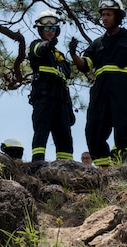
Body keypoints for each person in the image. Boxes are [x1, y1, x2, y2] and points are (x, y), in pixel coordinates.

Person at [69, 0, 127, 167]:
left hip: (125, 87)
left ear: (118, 16)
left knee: (126, 125)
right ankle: (104, 167)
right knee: (94, 127)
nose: (104, 18)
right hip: (101, 89)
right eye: (103, 15)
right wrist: (73, 55)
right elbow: (85, 66)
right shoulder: (97, 43)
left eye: (108, 14)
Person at [27, 10, 76, 161]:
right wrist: (47, 45)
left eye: (53, 29)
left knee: (64, 135)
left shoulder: (59, 55)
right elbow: (38, 50)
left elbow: (67, 73)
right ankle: (37, 163)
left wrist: (73, 53)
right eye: (47, 28)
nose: (50, 31)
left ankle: (66, 166)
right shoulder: (36, 45)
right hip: (44, 97)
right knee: (41, 130)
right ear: (40, 30)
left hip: (61, 100)